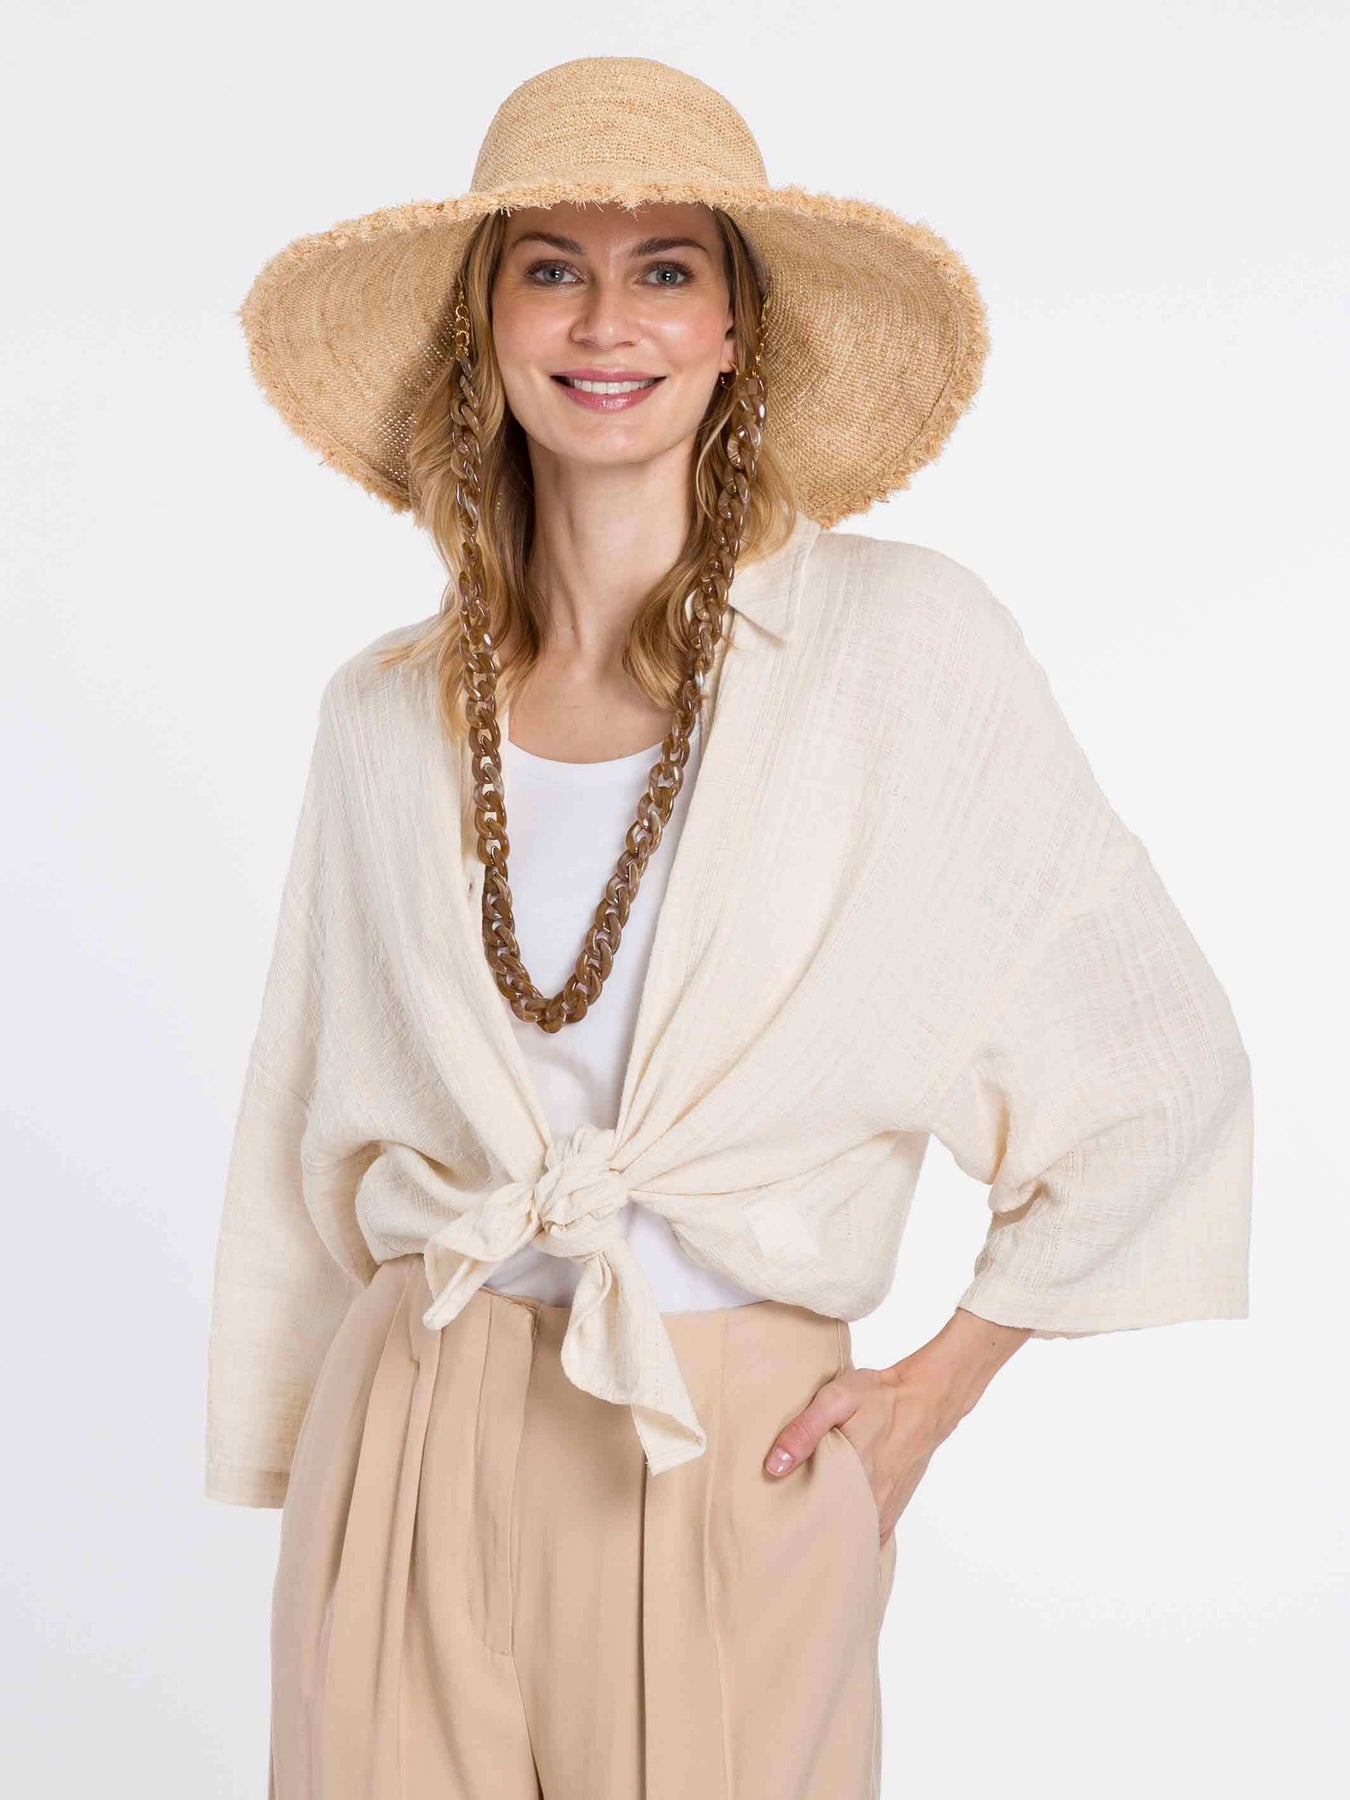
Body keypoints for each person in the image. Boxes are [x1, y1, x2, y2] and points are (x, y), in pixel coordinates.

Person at [205, 55, 1254, 1800]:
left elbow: (1156, 1067)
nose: (604, 320)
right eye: (549, 266)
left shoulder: (899, 652)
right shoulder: (383, 714)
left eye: (665, 268)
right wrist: (300, 1453)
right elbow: (300, 1122)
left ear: (732, 328)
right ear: (484, 325)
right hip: (411, 1422)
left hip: (729, 1438)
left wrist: (929, 1395)